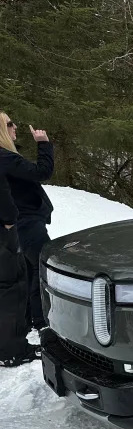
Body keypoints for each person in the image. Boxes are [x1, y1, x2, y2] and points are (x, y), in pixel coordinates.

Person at [0, 113, 51, 366]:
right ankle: (39, 325)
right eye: (9, 124)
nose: (15, 127)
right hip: (25, 224)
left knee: (29, 274)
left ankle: (35, 321)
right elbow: (42, 172)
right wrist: (43, 144)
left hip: (22, 224)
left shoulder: (7, 156)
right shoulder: (5, 157)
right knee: (39, 271)